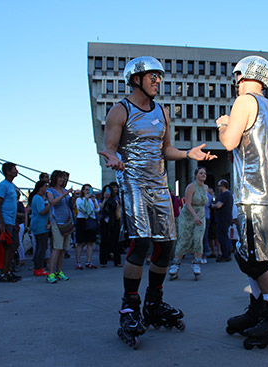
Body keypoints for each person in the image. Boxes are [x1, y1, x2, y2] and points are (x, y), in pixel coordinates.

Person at [100, 56, 215, 348]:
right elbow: (109, 148)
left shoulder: (162, 112)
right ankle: (130, 308)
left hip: (159, 185)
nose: (158, 81)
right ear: (136, 79)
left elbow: (166, 149)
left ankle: (153, 303)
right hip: (133, 183)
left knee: (166, 247)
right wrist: (113, 158)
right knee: (140, 243)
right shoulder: (120, 110)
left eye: (159, 77)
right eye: (153, 76)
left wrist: (188, 154)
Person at [217, 55, 268, 349]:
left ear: (244, 75)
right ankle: (258, 310)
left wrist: (223, 125)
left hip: (252, 193)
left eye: (237, 76)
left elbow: (229, 142)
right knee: (249, 256)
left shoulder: (245, 102)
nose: (235, 82)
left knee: (253, 260)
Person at [168, 166, 209, 280]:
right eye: (200, 173)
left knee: (198, 240)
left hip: (200, 216)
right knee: (184, 240)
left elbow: (204, 203)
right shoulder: (191, 187)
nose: (203, 175)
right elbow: (188, 204)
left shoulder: (206, 187)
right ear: (196, 175)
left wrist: (199, 216)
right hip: (188, 216)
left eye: (204, 173)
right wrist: (194, 216)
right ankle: (175, 266)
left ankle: (196, 264)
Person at [46, 170, 76, 284]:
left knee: (64, 248)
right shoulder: (50, 191)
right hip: (56, 221)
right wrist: (65, 194)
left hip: (67, 221)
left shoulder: (64, 191)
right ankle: (51, 273)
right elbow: (52, 202)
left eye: (63, 178)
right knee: (57, 247)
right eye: (60, 178)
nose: (62, 180)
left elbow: (71, 206)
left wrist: (72, 197)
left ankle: (59, 271)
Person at [0, 162, 21, 283]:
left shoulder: (12, 186)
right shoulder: (3, 185)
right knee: (7, 248)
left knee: (14, 246)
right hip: (5, 222)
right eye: (14, 169)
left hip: (11, 222)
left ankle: (8, 271)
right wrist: (1, 223)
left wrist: (14, 222)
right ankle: (3, 273)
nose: (16, 171)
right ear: (8, 172)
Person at [75, 184, 99, 270]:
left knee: (90, 242)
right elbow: (81, 208)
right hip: (82, 220)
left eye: (89, 189)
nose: (87, 191)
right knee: (81, 242)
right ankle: (78, 262)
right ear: (82, 191)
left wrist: (94, 201)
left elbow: (97, 210)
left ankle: (88, 261)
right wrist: (86, 198)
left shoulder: (93, 199)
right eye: (86, 189)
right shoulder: (79, 199)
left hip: (90, 220)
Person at [29, 181, 50, 276]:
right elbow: (42, 211)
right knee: (42, 247)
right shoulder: (37, 198)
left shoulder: (39, 197)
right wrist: (50, 203)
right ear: (40, 188)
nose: (46, 188)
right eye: (45, 186)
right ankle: (39, 267)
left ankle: (38, 266)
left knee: (40, 246)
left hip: (39, 223)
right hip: (40, 224)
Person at [99, 184, 122, 268]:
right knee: (104, 241)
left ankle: (117, 261)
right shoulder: (101, 199)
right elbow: (100, 209)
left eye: (109, 190)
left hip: (114, 220)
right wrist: (105, 199)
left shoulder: (115, 199)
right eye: (105, 190)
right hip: (104, 221)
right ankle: (103, 261)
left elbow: (118, 208)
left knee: (115, 241)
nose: (107, 192)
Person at [212, 179, 233, 262]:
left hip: (223, 218)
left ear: (223, 186)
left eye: (219, 186)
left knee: (222, 236)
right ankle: (227, 254)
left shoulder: (225, 195)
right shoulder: (228, 194)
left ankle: (226, 255)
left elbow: (218, 205)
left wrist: (212, 205)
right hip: (225, 218)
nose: (218, 188)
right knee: (224, 236)